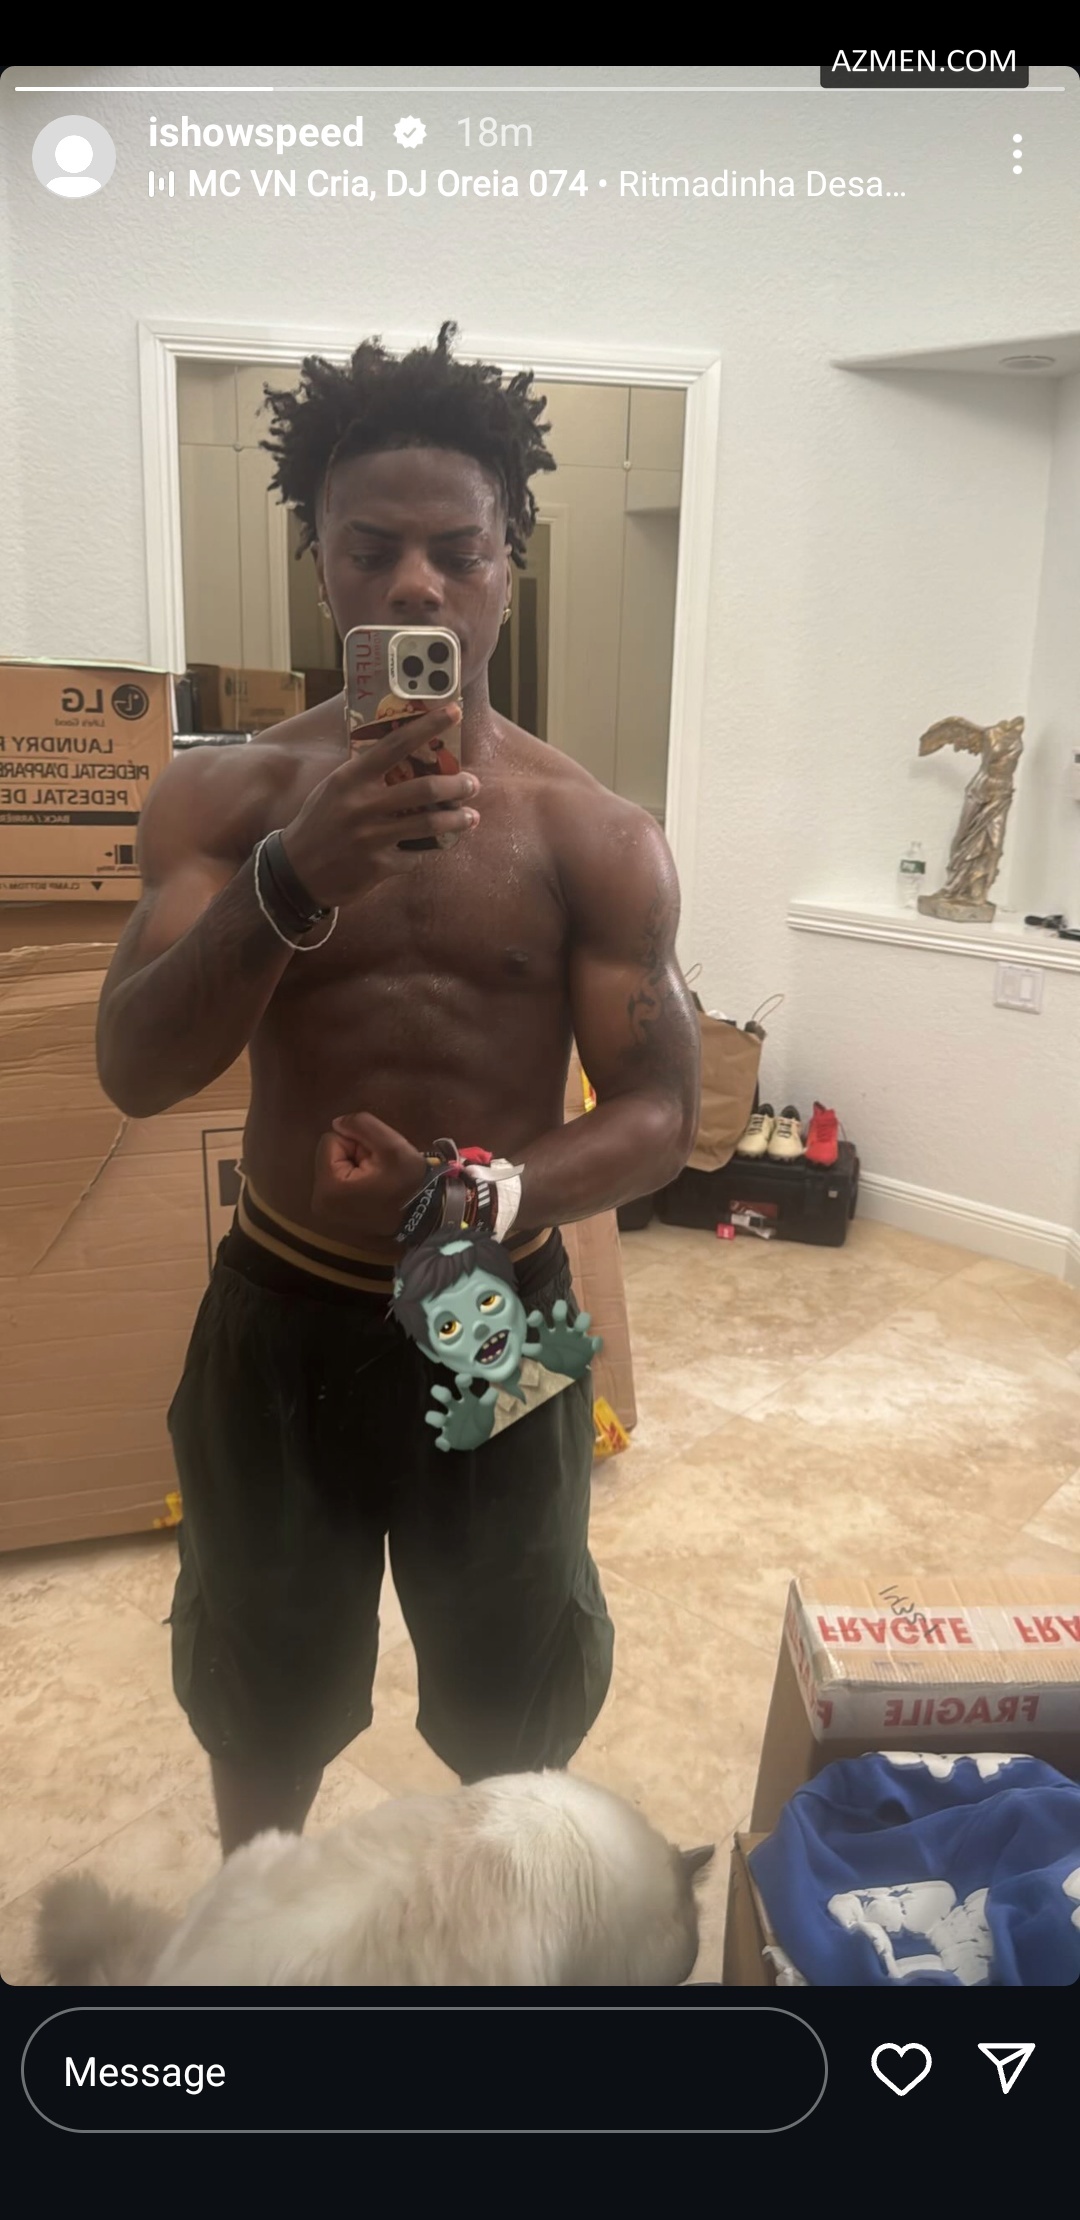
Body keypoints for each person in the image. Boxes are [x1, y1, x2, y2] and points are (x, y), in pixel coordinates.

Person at [96, 323, 701, 1857]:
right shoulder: (225, 801)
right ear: (321, 567)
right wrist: (294, 882)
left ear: (510, 570)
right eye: (373, 550)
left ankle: (499, 1936)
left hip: (495, 1298)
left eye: (457, 552)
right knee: (261, 1685)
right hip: (282, 1302)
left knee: (517, 1685)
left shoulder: (595, 835)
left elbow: (661, 1115)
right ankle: (261, 1928)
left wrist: (491, 1193)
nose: (417, 586)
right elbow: (135, 1068)